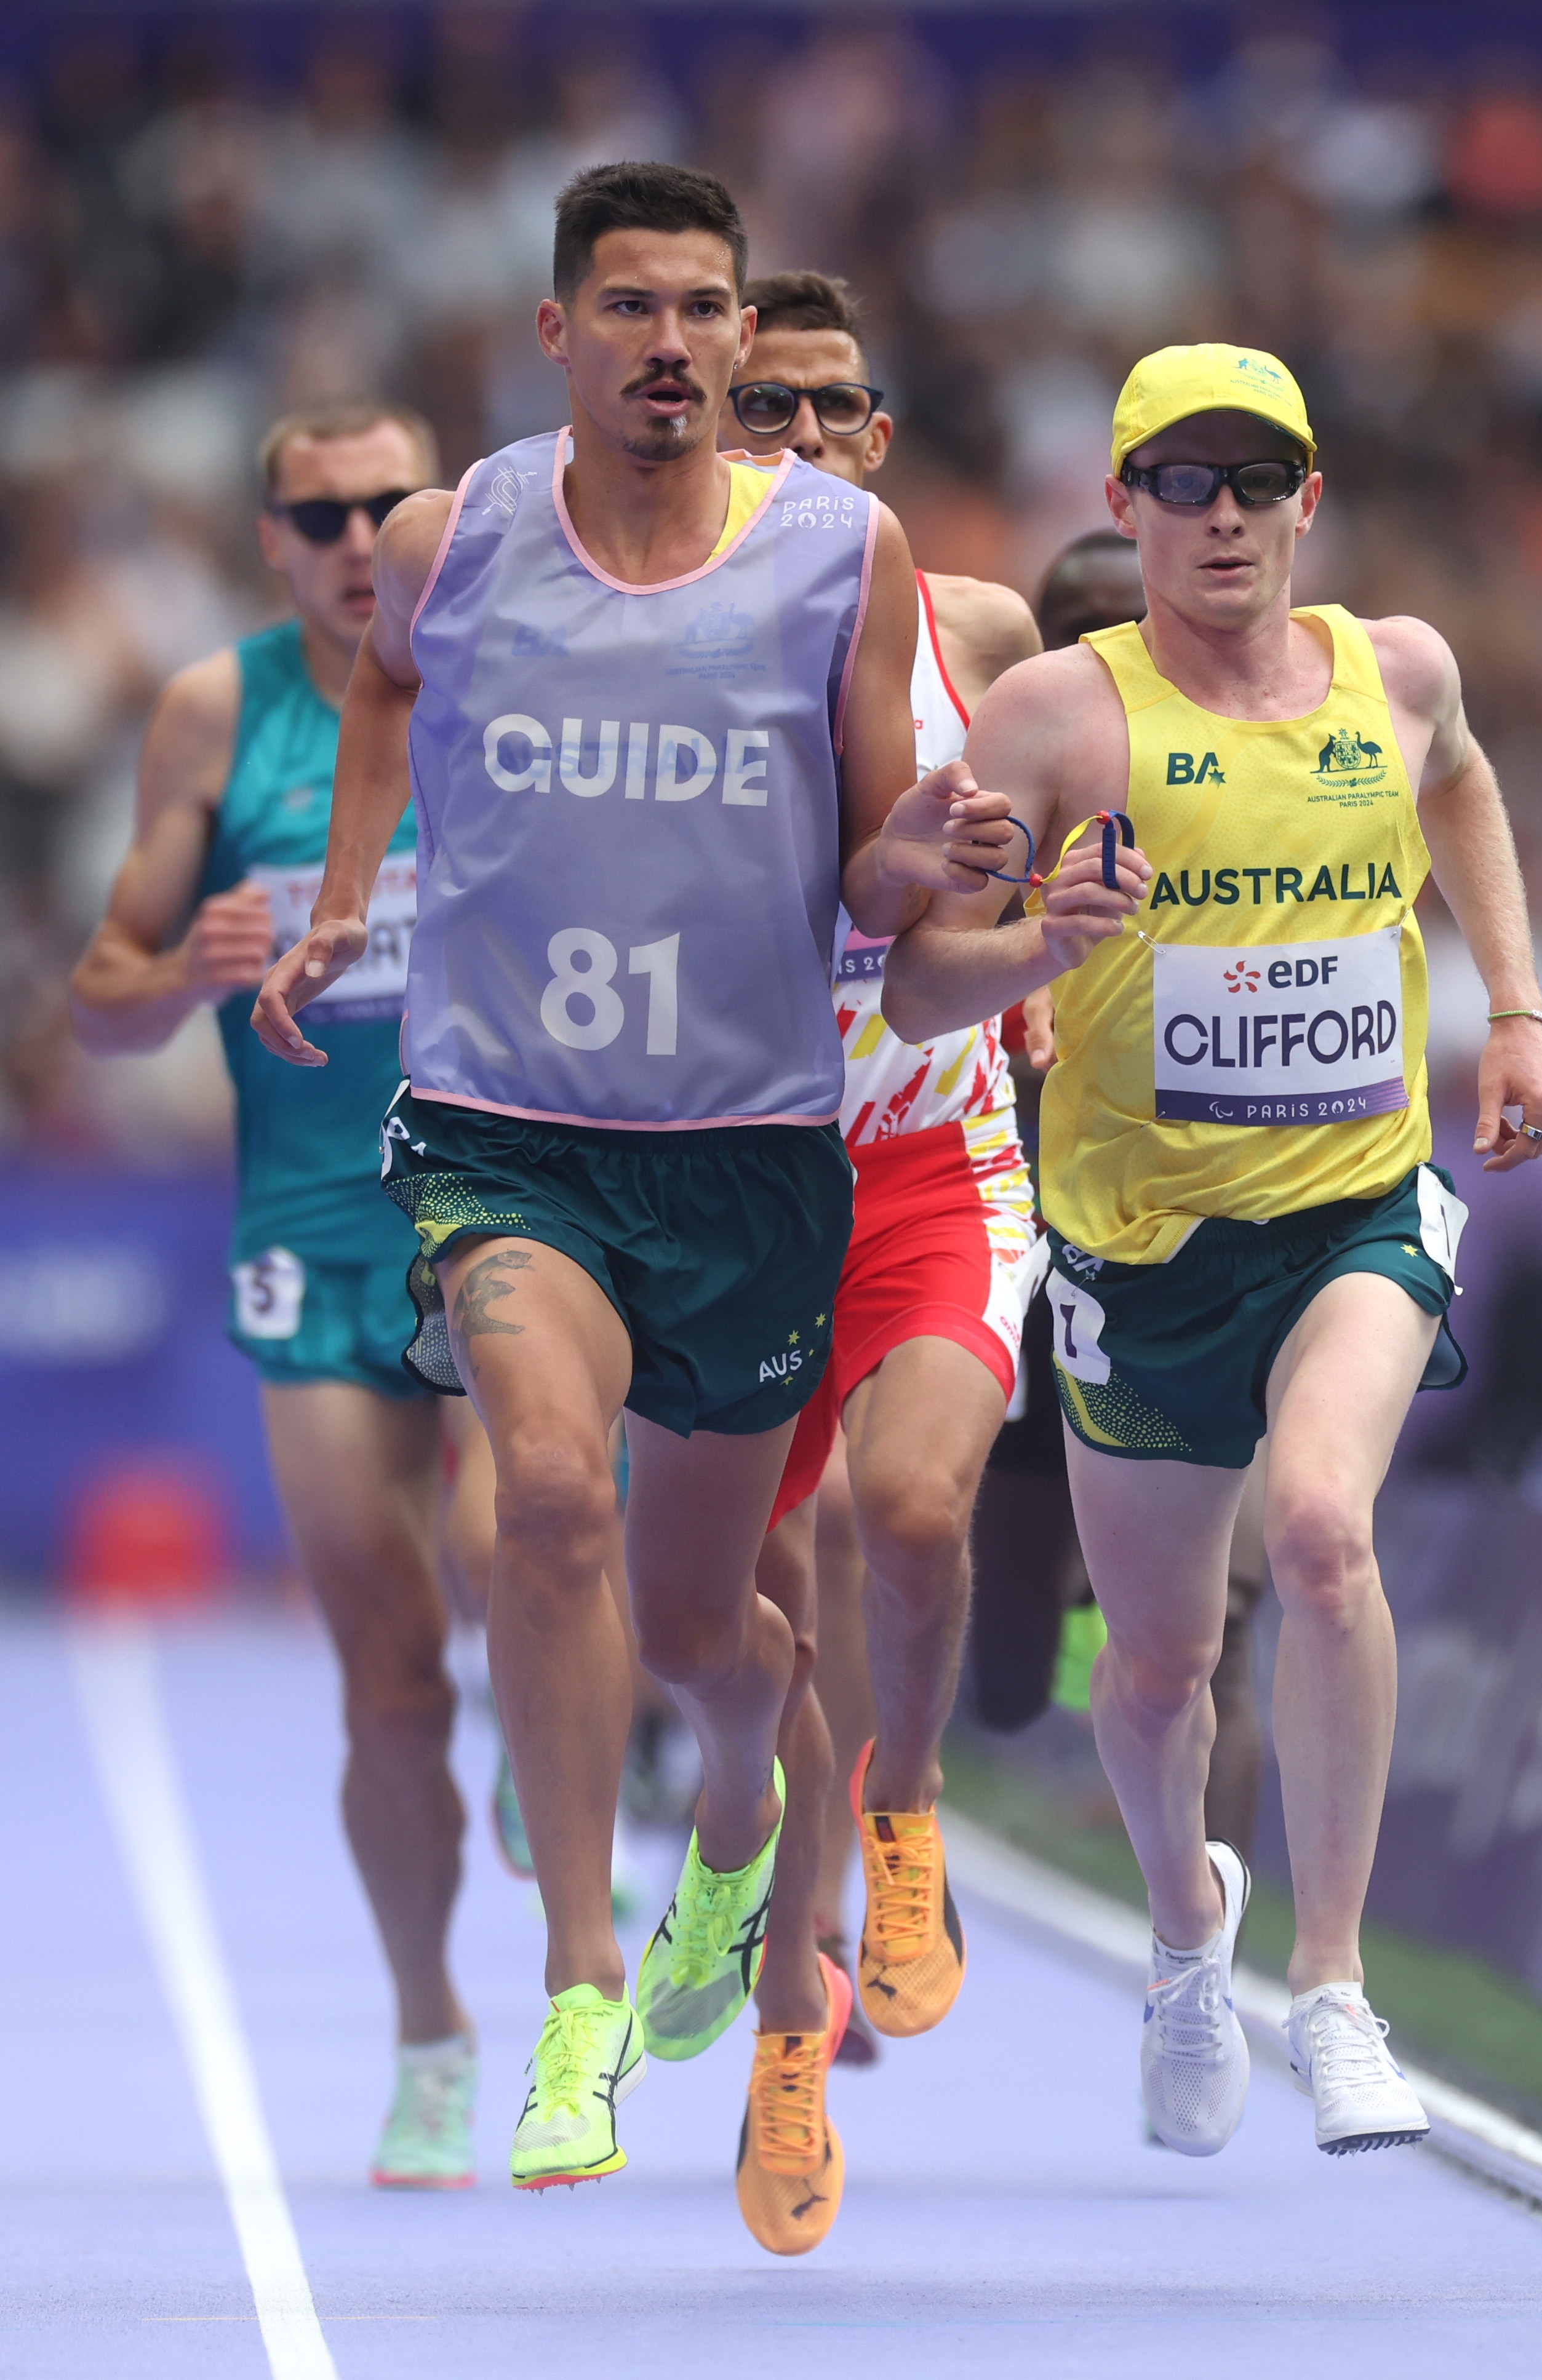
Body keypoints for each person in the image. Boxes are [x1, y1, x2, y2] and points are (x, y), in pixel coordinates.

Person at [250, 164, 1017, 2210]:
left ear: (737, 336)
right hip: (510, 1131)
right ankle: (582, 1981)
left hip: (750, 1152)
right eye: (632, 304)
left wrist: (924, 867)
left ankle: (751, 1825)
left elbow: (862, 871)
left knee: (705, 1616)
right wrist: (351, 898)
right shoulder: (456, 533)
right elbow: (390, 693)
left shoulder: (840, 553)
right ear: (557, 334)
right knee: (551, 1492)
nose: (670, 339)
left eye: (703, 307)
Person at [882, 343, 1542, 2160]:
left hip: (1353, 1204)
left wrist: (1516, 1009)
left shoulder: (1396, 667)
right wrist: (1041, 943)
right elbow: (913, 977)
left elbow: (1468, 783)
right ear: (1122, 505)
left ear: (1306, 502)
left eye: (1254, 481)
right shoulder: (1053, 713)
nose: (1221, 515)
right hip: (1139, 1243)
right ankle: (1190, 1936)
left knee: (1330, 1535)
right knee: (1161, 1666)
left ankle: (1331, 1986)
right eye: (1180, 482)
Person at [70, 400, 497, 2189]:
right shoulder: (212, 712)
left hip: (506, 1190)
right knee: (389, 1677)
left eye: (387, 502)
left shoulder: (509, 670)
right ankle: (427, 2027)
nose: (352, 535)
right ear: (271, 539)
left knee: (521, 1533)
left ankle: (591, 1776)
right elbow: (97, 990)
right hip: (312, 1223)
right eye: (317, 511)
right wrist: (184, 967)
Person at [713, 269, 1042, 2250]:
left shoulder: (984, 630)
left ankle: (905, 1809)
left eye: (839, 410)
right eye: (772, 410)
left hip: (931, 1159)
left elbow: (1093, 808)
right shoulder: (649, 650)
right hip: (735, 1191)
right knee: (756, 1659)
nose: (811, 443)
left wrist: (1062, 972)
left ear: (883, 440)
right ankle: (784, 2028)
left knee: (914, 1514)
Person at [975, 528, 1271, 1860]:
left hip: (1202, 1219)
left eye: (1128, 615)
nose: (1112, 640)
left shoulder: (1245, 777)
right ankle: (1066, 1648)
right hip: (1030, 1222)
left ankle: (1210, 1921)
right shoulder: (996, 795)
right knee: (1006, 1658)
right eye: (1081, 622)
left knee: (1225, 1611)